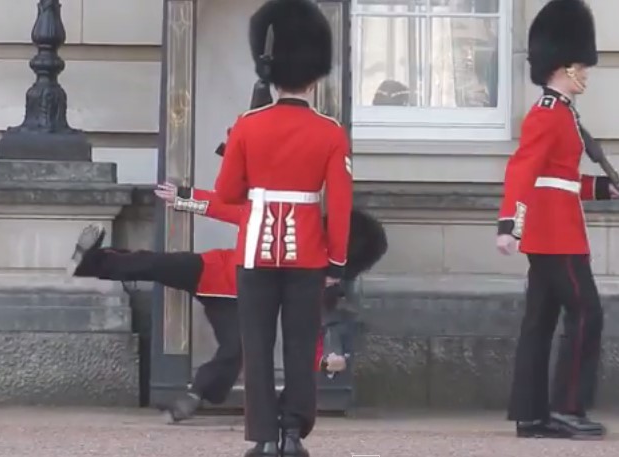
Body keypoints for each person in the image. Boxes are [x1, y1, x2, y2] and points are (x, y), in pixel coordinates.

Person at [67, 184, 383, 428]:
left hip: (239, 300)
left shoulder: (321, 283)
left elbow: (316, 329)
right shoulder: (290, 230)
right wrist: (183, 198)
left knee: (237, 347)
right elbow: (231, 209)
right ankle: (92, 261)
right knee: (153, 263)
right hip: (213, 270)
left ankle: (197, 394)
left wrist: (326, 361)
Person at [213, 0, 353, 455]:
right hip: (308, 253)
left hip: (254, 252)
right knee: (299, 348)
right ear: (315, 74)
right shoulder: (330, 132)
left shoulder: (248, 126)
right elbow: (342, 204)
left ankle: (265, 438)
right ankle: (293, 433)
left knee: (257, 349)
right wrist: (337, 258)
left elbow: (228, 192)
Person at [496, 0, 619, 440]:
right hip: (555, 236)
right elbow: (523, 169)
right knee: (587, 313)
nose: (585, 74)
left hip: (557, 229)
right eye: (580, 67)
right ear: (563, 68)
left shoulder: (563, 113)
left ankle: (531, 414)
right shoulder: (548, 115)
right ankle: (567, 406)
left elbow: (560, 178)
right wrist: (509, 222)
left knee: (540, 321)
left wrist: (601, 188)